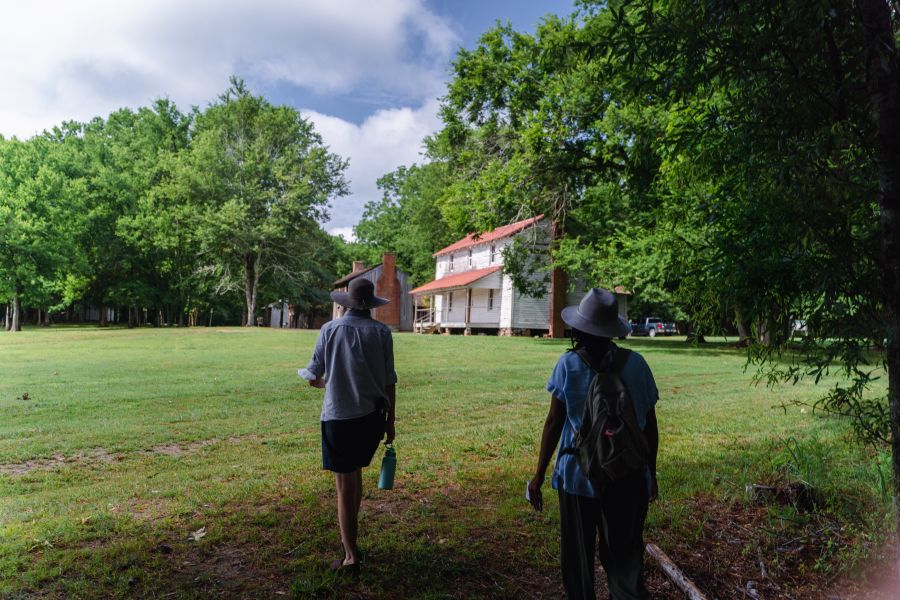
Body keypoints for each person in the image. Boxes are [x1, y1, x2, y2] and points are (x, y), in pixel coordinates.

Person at [528, 287, 659, 600]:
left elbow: (553, 423)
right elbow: (650, 428)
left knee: (578, 558)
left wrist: (538, 475)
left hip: (576, 475)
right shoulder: (637, 365)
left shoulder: (567, 365)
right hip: (626, 474)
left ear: (579, 329)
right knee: (625, 557)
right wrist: (650, 473)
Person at [301, 277, 397, 575]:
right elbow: (389, 381)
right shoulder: (382, 332)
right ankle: (349, 544)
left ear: (346, 305)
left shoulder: (330, 330)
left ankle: (351, 556)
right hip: (371, 419)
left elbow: (313, 376)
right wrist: (391, 422)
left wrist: (328, 382)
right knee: (355, 479)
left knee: (345, 487)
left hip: (339, 418)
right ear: (370, 306)